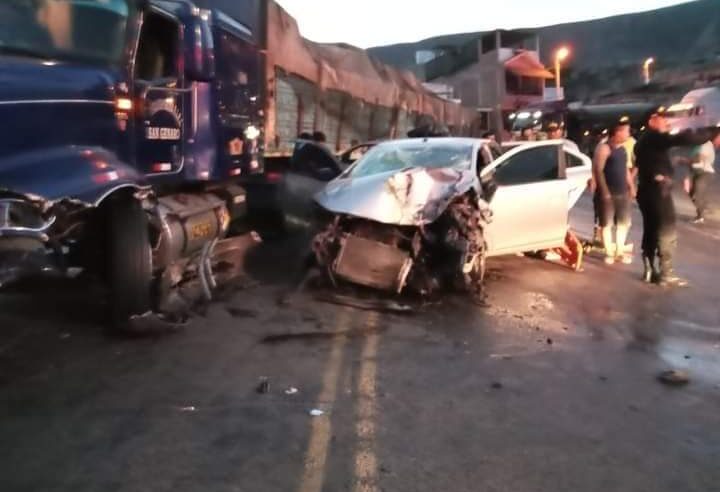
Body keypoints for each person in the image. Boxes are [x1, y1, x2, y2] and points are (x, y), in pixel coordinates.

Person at [634, 108, 709, 286]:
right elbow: (683, 139)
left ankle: (650, 269)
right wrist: (710, 131)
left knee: (651, 229)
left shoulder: (643, 141)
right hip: (658, 191)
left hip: (647, 190)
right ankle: (666, 273)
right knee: (667, 229)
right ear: (651, 121)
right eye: (662, 118)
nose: (666, 121)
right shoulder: (654, 137)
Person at [593, 118, 635, 264]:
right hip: (608, 194)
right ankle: (609, 253)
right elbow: (598, 170)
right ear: (617, 132)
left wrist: (631, 186)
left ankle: (619, 251)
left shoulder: (623, 149)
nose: (628, 134)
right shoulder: (604, 148)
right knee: (607, 224)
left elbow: (625, 171)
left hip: (622, 193)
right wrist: (604, 192)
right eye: (626, 131)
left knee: (623, 224)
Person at [684, 130, 719, 223]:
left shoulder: (706, 144)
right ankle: (703, 207)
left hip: (705, 172)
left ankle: (700, 215)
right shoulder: (697, 146)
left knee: (697, 193)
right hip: (696, 172)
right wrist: (688, 175)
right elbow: (693, 161)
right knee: (691, 193)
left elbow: (698, 159)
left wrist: (683, 160)